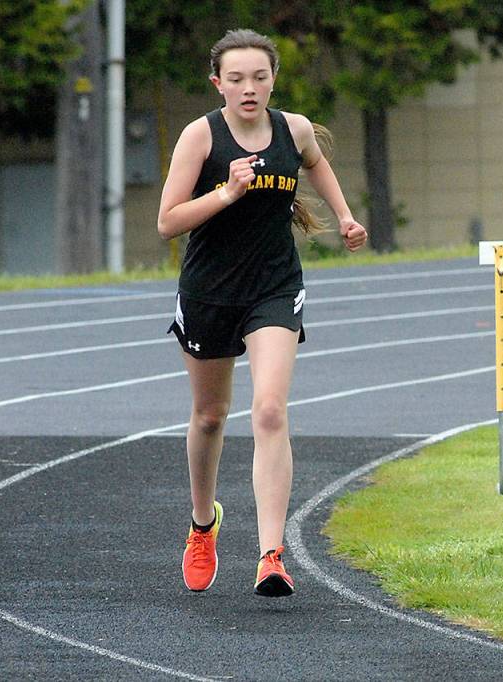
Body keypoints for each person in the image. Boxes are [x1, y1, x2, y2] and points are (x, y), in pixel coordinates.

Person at [156, 28, 368, 598]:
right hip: (209, 292)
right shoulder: (200, 136)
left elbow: (315, 163)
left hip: (273, 288)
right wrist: (225, 193)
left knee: (270, 410)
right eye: (236, 79)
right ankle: (204, 526)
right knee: (210, 416)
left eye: (259, 77)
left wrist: (345, 216)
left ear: (273, 79)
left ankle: (271, 555)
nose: (249, 88)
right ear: (217, 84)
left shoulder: (292, 129)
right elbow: (168, 222)